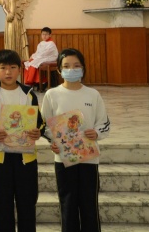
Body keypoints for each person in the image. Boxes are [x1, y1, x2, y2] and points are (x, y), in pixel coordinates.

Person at [41, 48, 110, 232]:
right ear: (59, 70)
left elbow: (104, 123)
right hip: (64, 159)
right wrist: (54, 141)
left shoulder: (93, 94)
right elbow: (44, 125)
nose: (71, 69)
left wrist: (96, 133)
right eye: (66, 66)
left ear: (83, 68)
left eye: (76, 66)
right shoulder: (52, 95)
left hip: (89, 159)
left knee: (89, 205)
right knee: (68, 204)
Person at [0, 49, 44, 232]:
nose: (8, 72)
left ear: (20, 70)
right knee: (2, 204)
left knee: (27, 203)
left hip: (26, 159)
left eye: (13, 67)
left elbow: (40, 123)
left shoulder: (29, 94)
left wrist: (37, 132)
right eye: (3, 68)